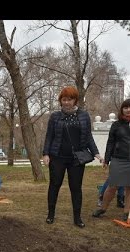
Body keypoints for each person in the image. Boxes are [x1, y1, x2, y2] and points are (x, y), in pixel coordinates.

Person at [42, 86, 103, 228]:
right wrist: (46, 153)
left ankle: (77, 218)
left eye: (69, 99)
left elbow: (88, 137)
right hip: (57, 157)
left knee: (76, 187)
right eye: (64, 99)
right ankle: (50, 215)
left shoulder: (83, 116)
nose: (66, 102)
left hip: (77, 158)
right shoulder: (55, 117)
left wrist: (96, 153)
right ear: (60, 101)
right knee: (54, 185)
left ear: (75, 100)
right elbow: (49, 136)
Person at [92, 99, 130, 221]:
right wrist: (107, 159)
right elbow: (110, 143)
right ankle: (102, 208)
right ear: (122, 109)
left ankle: (126, 213)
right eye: (126, 107)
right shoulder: (116, 125)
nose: (128, 110)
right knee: (112, 186)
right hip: (118, 159)